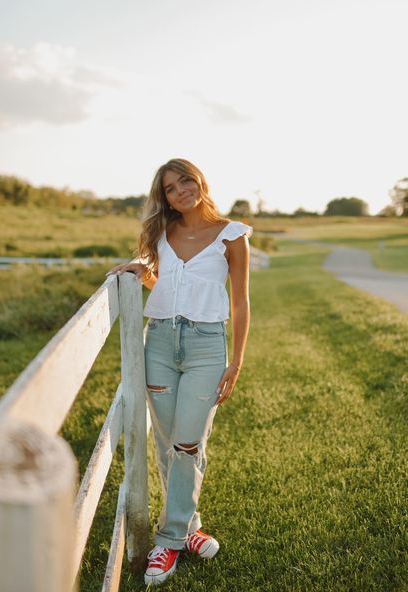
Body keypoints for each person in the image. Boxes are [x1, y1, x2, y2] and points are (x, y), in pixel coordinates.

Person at [107, 158, 251, 586]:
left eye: (186, 180)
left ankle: (167, 542)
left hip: (207, 347)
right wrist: (142, 273)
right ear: (165, 197)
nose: (181, 190)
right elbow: (169, 282)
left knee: (189, 441)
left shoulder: (231, 235)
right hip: (162, 344)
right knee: (170, 443)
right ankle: (189, 528)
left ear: (200, 181)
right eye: (171, 188)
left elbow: (240, 302)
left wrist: (236, 361)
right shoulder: (163, 233)